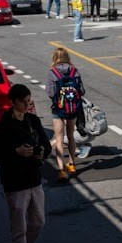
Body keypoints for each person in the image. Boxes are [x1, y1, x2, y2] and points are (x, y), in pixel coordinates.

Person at [0, 84, 51, 243]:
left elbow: (46, 145)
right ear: (13, 102)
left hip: (33, 178)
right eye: (24, 101)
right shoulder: (4, 127)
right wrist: (16, 152)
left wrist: (40, 153)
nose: (28, 104)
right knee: (19, 227)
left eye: (29, 100)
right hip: (15, 182)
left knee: (38, 222)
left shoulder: (33, 121)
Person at [47, 47, 85, 182]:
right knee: (70, 135)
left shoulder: (53, 73)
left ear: (55, 58)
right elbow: (82, 91)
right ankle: (72, 164)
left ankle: (61, 169)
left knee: (58, 138)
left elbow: (51, 93)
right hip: (73, 108)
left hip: (58, 109)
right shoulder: (75, 71)